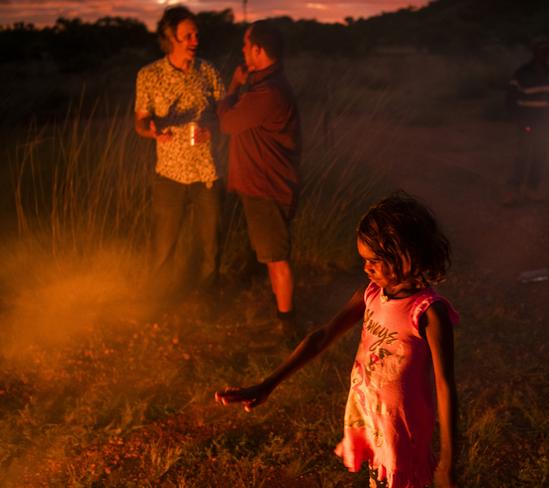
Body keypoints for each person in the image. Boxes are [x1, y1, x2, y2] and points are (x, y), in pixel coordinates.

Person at [216, 193, 459, 488]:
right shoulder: (371, 294)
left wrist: (448, 460)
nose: (366, 269)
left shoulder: (429, 312)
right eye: (364, 261)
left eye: (374, 261)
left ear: (406, 255)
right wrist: (268, 384)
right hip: (371, 415)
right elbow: (321, 338)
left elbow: (446, 386)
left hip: (402, 432)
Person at [218, 21, 301, 334]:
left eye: (245, 45)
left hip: (268, 187)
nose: (242, 50)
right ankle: (281, 312)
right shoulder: (265, 85)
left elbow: (227, 122)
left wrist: (232, 87)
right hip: (262, 185)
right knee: (269, 254)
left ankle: (287, 326)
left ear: (258, 50)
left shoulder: (267, 92)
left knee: (277, 257)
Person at [134, 5, 225, 289]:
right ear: (170, 38)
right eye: (187, 36)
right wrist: (150, 130)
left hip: (207, 172)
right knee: (164, 244)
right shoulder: (149, 75)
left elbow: (226, 115)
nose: (194, 41)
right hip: (169, 173)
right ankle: (157, 299)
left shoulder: (208, 71)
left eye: (196, 34)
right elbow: (140, 120)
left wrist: (215, 128)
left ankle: (207, 298)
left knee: (210, 244)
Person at [503, 37, 549, 206]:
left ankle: (532, 189)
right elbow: (511, 97)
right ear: (535, 52)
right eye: (541, 50)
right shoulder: (522, 73)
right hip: (526, 122)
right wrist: (517, 118)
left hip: (545, 124)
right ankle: (513, 191)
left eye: (547, 51)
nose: (544, 54)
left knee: (539, 156)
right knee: (522, 156)